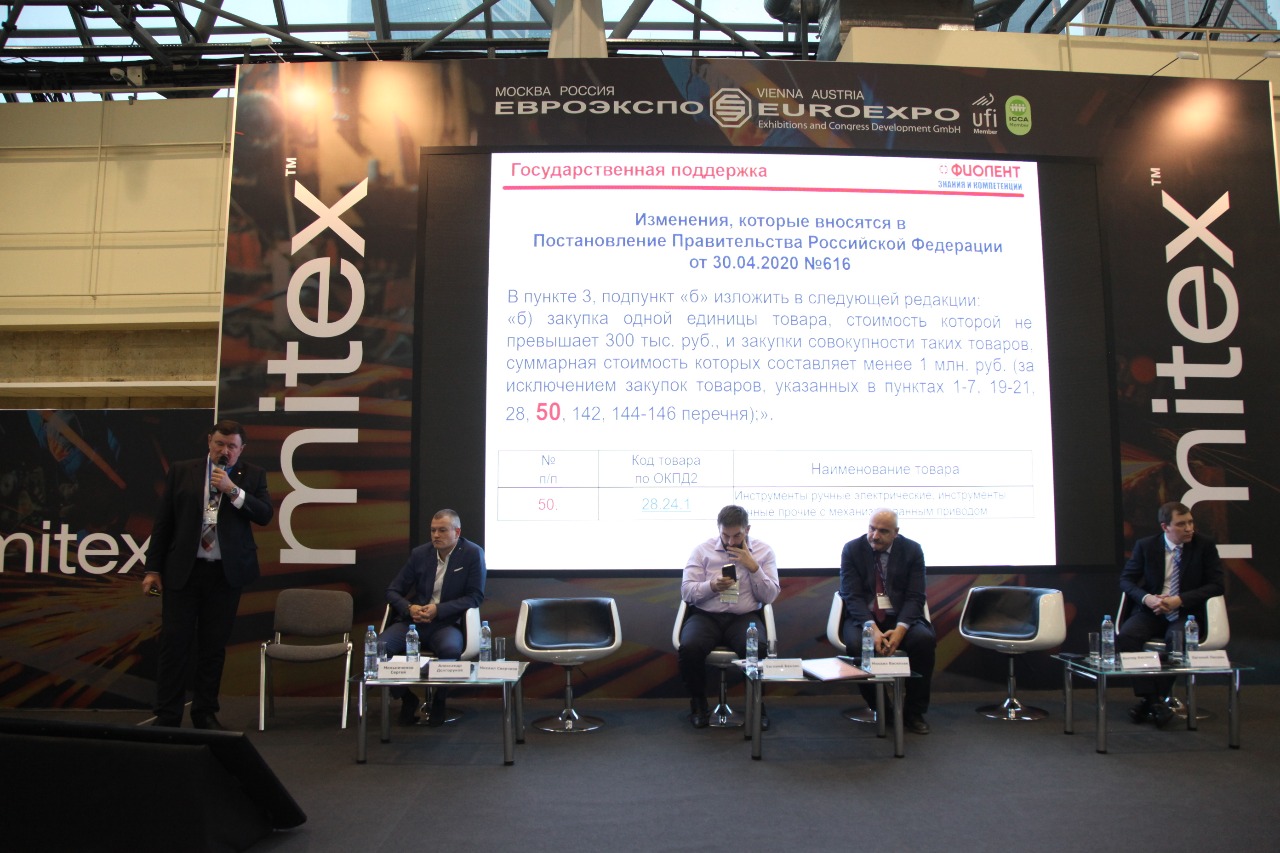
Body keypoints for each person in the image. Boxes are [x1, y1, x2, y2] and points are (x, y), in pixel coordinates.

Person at [140, 420, 273, 729]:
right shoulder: (183, 471)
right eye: (219, 444)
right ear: (209, 443)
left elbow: (264, 514)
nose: (224, 451)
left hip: (225, 575)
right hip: (184, 571)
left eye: (231, 446)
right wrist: (152, 568)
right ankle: (168, 713)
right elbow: (164, 522)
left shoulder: (253, 475)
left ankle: (204, 712)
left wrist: (232, 491)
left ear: (241, 449)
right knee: (174, 642)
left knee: (212, 646)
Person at [1118, 501, 1224, 726]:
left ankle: (1151, 703)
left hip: (1186, 612)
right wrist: (1148, 598)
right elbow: (1126, 580)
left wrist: (1180, 600)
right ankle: (1154, 700)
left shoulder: (1204, 545)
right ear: (1165, 527)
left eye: (1191, 522)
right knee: (1127, 635)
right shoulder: (1146, 546)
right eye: (1181, 524)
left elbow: (1217, 585)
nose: (1189, 528)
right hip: (1153, 610)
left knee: (1176, 639)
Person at [381, 509, 486, 726]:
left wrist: (439, 609)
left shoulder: (472, 553)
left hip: (447, 622)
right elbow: (392, 591)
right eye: (433, 530)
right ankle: (406, 697)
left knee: (450, 650)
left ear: (457, 532)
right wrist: (409, 608)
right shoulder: (420, 554)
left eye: (442, 530)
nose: (436, 535)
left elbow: (475, 597)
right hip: (414, 622)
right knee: (378, 649)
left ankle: (439, 699)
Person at [679, 504, 780, 730]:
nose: (731, 542)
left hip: (744, 616)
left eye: (737, 536)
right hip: (706, 615)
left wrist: (754, 568)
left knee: (757, 648)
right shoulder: (702, 551)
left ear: (747, 529)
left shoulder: (763, 552)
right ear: (718, 529)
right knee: (690, 647)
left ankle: (756, 706)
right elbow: (686, 592)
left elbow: (770, 596)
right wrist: (711, 586)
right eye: (725, 535)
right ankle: (698, 705)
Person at [839, 508, 936, 734]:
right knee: (857, 645)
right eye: (872, 529)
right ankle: (882, 709)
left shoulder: (912, 550)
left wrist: (900, 630)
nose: (875, 536)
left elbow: (915, 597)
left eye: (883, 531)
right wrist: (872, 629)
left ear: (896, 533)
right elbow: (851, 596)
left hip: (899, 617)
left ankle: (914, 712)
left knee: (923, 640)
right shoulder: (852, 549)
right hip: (863, 618)